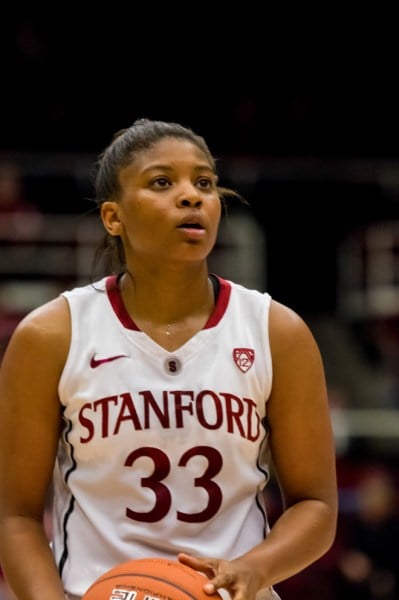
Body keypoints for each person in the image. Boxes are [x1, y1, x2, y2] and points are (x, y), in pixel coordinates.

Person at [0, 118, 338, 600]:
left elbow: (316, 506)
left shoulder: (275, 331)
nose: (191, 196)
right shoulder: (52, 335)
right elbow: (15, 516)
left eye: (204, 182)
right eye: (163, 182)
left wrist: (254, 568)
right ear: (113, 218)